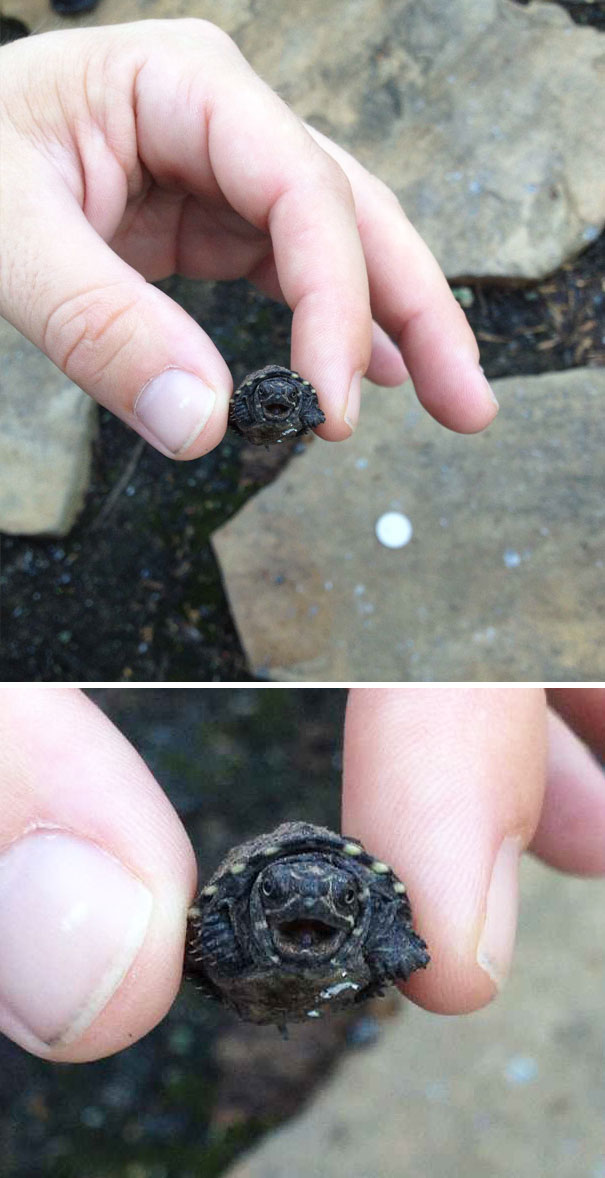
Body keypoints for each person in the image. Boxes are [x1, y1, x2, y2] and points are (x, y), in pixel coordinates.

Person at [0, 686, 603, 1062]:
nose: (309, 903)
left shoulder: (372, 913)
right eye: (281, 894)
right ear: (257, 899)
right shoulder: (232, 921)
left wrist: (399, 947)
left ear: (359, 900)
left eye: (343, 896)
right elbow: (204, 930)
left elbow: (401, 935)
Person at [0, 20, 498, 460]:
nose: (280, 403)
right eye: (279, 403)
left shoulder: (295, 403)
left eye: (282, 404)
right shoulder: (262, 405)